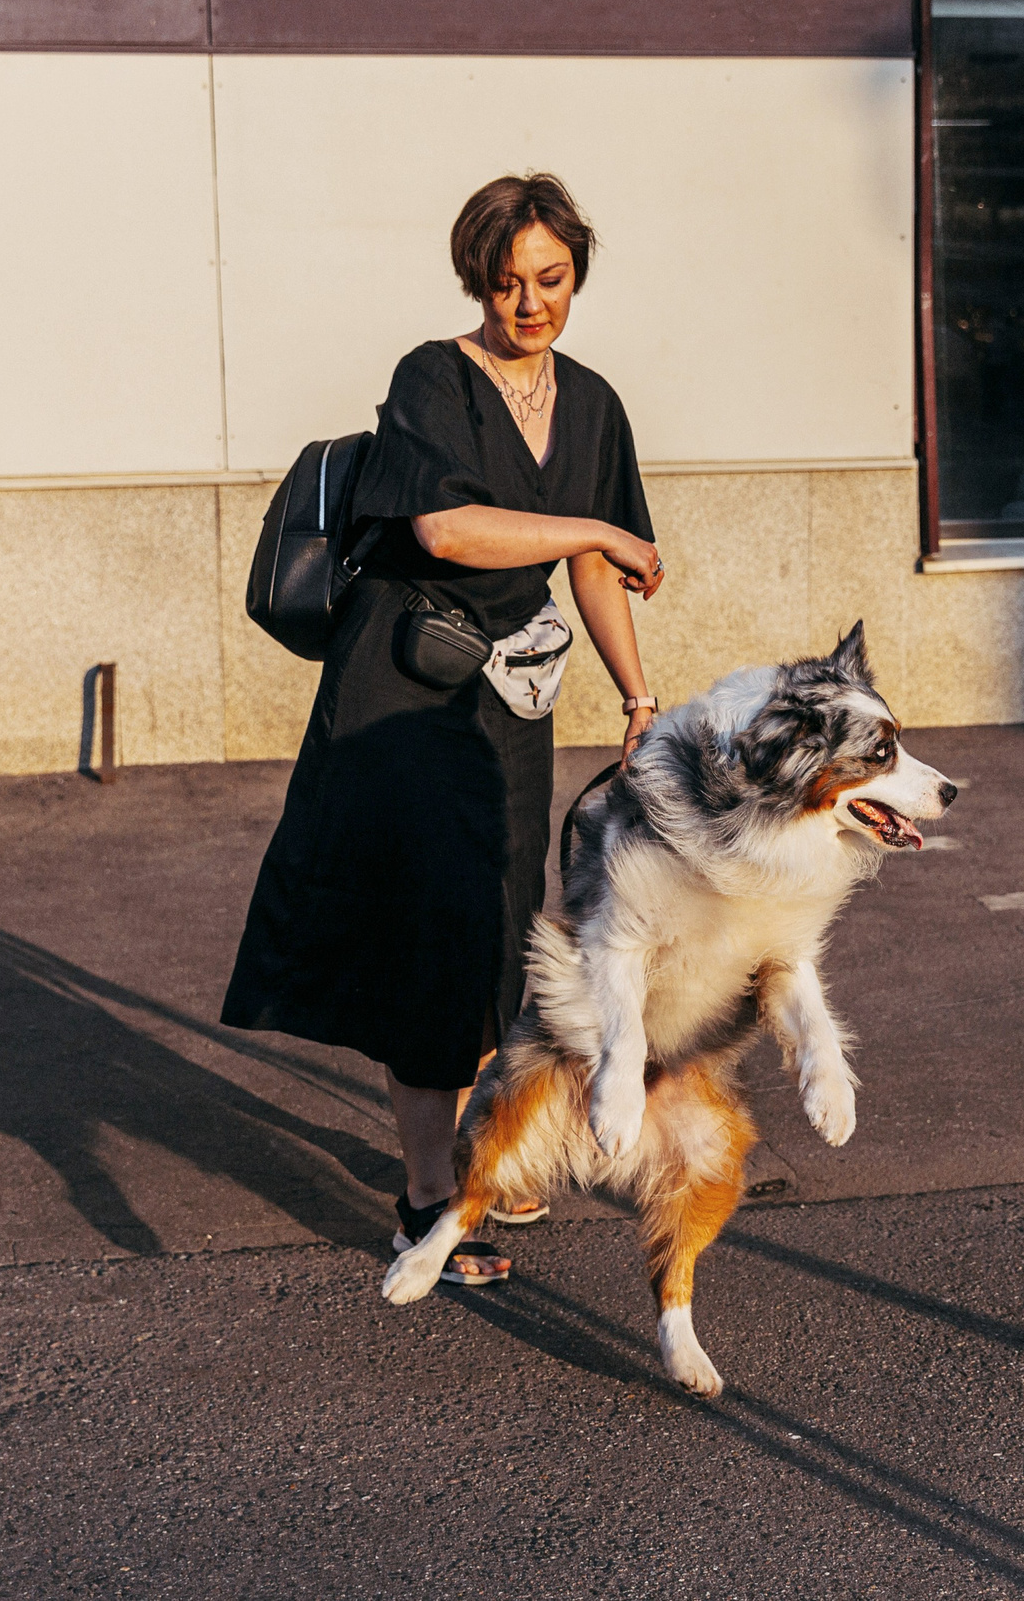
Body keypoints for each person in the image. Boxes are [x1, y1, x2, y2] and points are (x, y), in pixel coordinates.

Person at [223, 173, 665, 1285]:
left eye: (551, 280)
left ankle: (479, 1152)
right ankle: (428, 1192)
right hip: (402, 697)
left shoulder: (593, 402)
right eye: (508, 282)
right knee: (425, 934)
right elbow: (448, 528)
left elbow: (591, 566)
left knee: (497, 926)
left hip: (510, 702)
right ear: (478, 280)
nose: (531, 304)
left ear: (577, 275)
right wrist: (595, 524)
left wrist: (636, 691)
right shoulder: (431, 378)